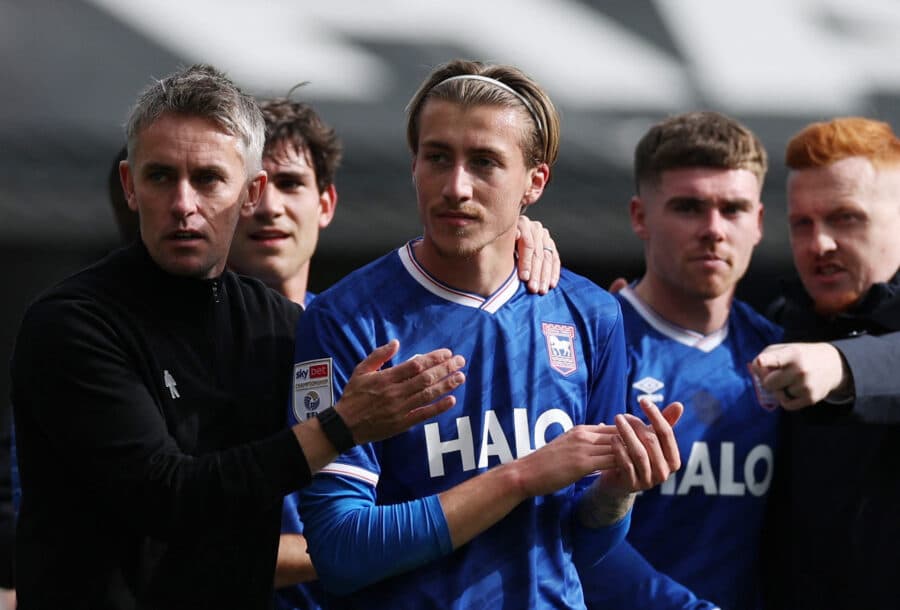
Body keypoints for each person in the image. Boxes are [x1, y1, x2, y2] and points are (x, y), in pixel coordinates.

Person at [8, 64, 469, 610]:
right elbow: (166, 497)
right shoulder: (73, 324)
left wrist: (519, 240)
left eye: (207, 179)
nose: (184, 204)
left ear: (249, 193)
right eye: (161, 177)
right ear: (130, 186)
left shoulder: (281, 326)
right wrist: (339, 427)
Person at [289, 59, 683, 609]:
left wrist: (617, 493)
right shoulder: (346, 320)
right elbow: (338, 551)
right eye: (437, 158)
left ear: (534, 182)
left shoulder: (591, 314)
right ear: (413, 166)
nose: (456, 187)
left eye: (484, 162)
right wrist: (518, 477)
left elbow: (582, 547)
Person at [226, 96, 563, 610]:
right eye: (252, 187)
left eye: (291, 183)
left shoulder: (363, 331)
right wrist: (373, 547)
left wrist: (510, 222)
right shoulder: (182, 360)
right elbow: (168, 533)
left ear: (326, 204)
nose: (270, 206)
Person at [582, 112, 782, 610]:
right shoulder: (588, 350)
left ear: (757, 223)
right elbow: (562, 527)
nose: (713, 230)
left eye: (732, 209)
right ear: (640, 216)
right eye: (689, 208)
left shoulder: (781, 355)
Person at [750, 117, 900, 610]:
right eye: (803, 223)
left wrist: (840, 366)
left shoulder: (818, 348)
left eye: (846, 218)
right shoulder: (779, 325)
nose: (820, 244)